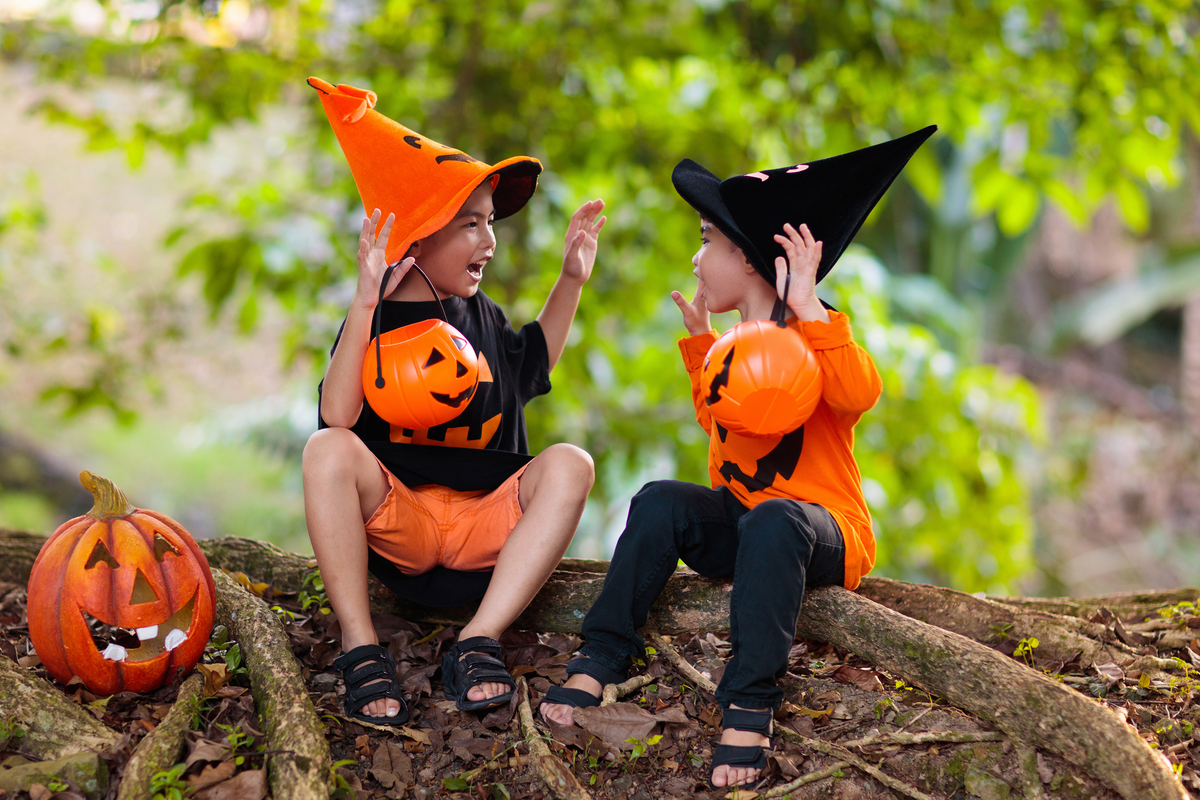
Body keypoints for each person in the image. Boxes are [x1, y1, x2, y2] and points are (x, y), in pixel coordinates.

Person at [539, 127, 936, 788]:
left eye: (706, 242)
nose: (696, 261)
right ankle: (602, 651)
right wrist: (703, 350)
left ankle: (749, 703)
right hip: (746, 522)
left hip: (819, 532)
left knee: (777, 520)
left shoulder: (816, 331)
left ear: (749, 259)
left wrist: (809, 306)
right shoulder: (734, 345)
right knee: (662, 501)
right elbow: (726, 426)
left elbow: (860, 391)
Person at [302, 77, 605, 725]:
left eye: (489, 223)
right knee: (325, 449)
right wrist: (364, 303)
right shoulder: (375, 321)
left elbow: (530, 369)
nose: (489, 243)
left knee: (571, 461)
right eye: (470, 225)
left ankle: (479, 637)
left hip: (482, 532)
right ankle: (360, 647)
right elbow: (338, 418)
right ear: (418, 235)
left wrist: (570, 281)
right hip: (400, 528)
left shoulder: (481, 315)